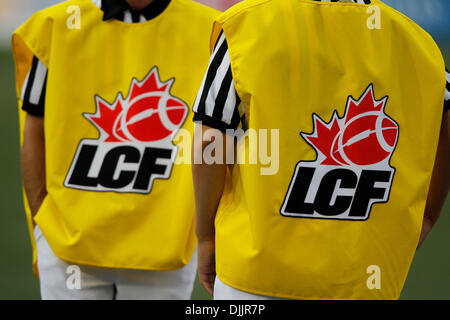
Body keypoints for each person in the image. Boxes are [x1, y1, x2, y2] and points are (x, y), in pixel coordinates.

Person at [192, 0, 450, 300]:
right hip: (364, 280)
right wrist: (430, 212)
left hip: (255, 278)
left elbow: (210, 142)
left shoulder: (245, 26)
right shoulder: (415, 41)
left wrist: (206, 236)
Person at [12, 0, 218, 300]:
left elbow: (224, 134)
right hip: (67, 245)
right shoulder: (54, 27)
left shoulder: (213, 29)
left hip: (167, 247)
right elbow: (34, 128)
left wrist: (204, 233)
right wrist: (42, 220)